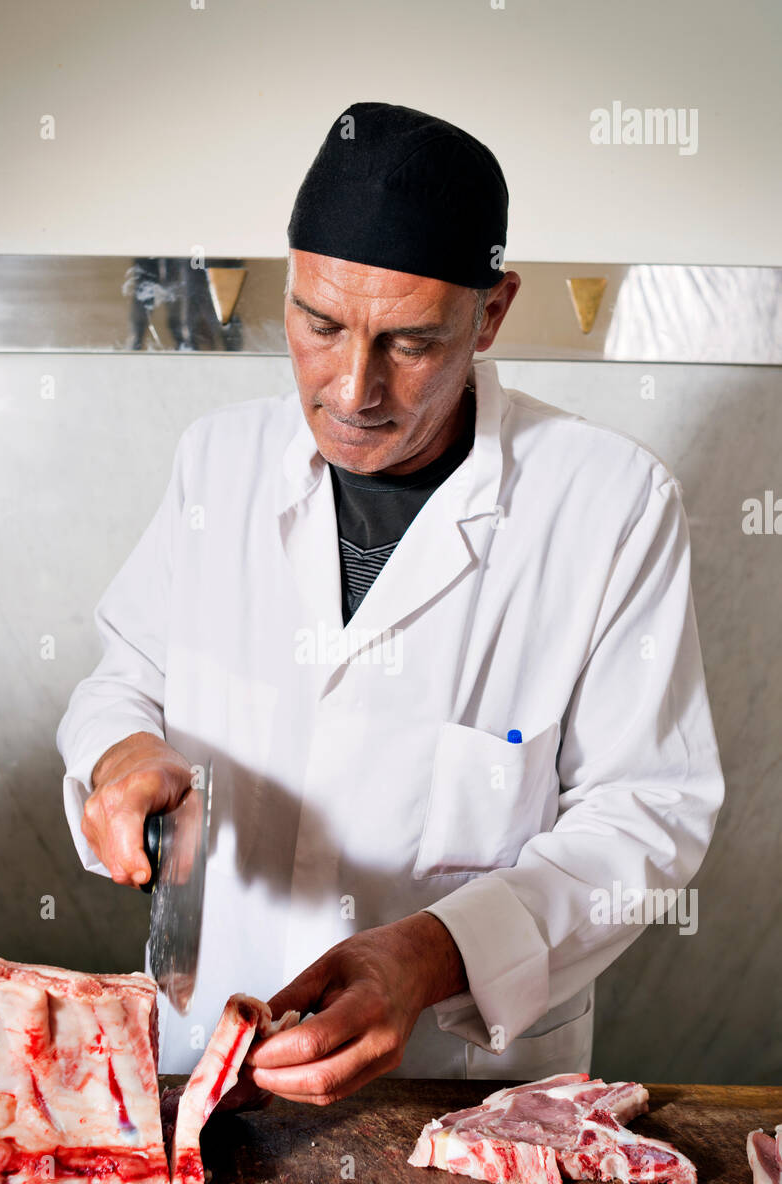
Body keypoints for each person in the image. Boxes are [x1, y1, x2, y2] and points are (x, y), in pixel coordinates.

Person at [57, 102, 724, 1102]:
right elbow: (127, 681)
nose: (352, 389)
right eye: (319, 325)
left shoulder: (611, 504)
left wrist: (430, 952)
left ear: (492, 313)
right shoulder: (218, 465)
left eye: (410, 343)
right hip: (211, 1054)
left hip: (461, 1084)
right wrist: (123, 759)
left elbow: (648, 815)